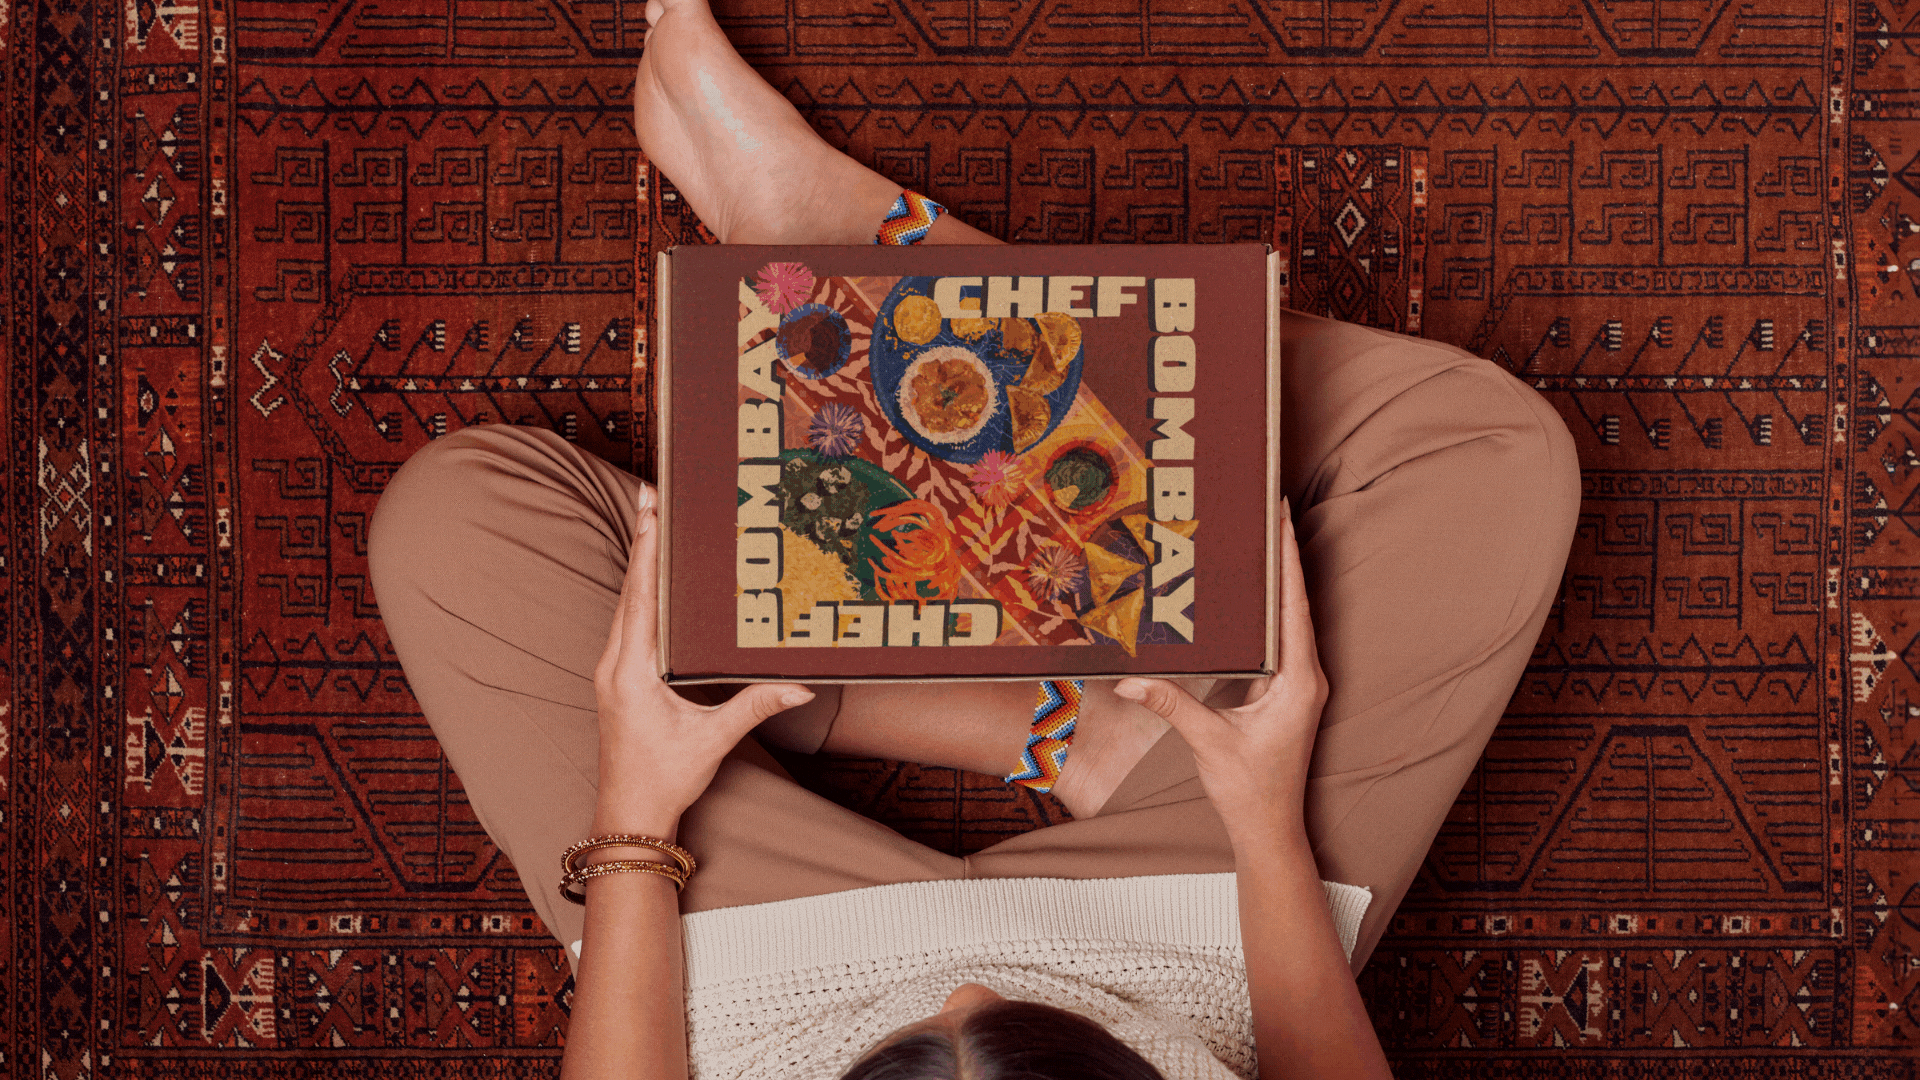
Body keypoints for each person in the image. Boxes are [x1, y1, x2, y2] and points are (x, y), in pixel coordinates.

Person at [365, 0, 1584, 1075]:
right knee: (1488, 459)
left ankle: (889, 647)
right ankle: (866, 251)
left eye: (921, 1041)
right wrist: (1261, 816)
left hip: (760, 969)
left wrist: (635, 808)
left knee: (455, 522)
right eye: (1007, 1025)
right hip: (1178, 946)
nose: (964, 987)